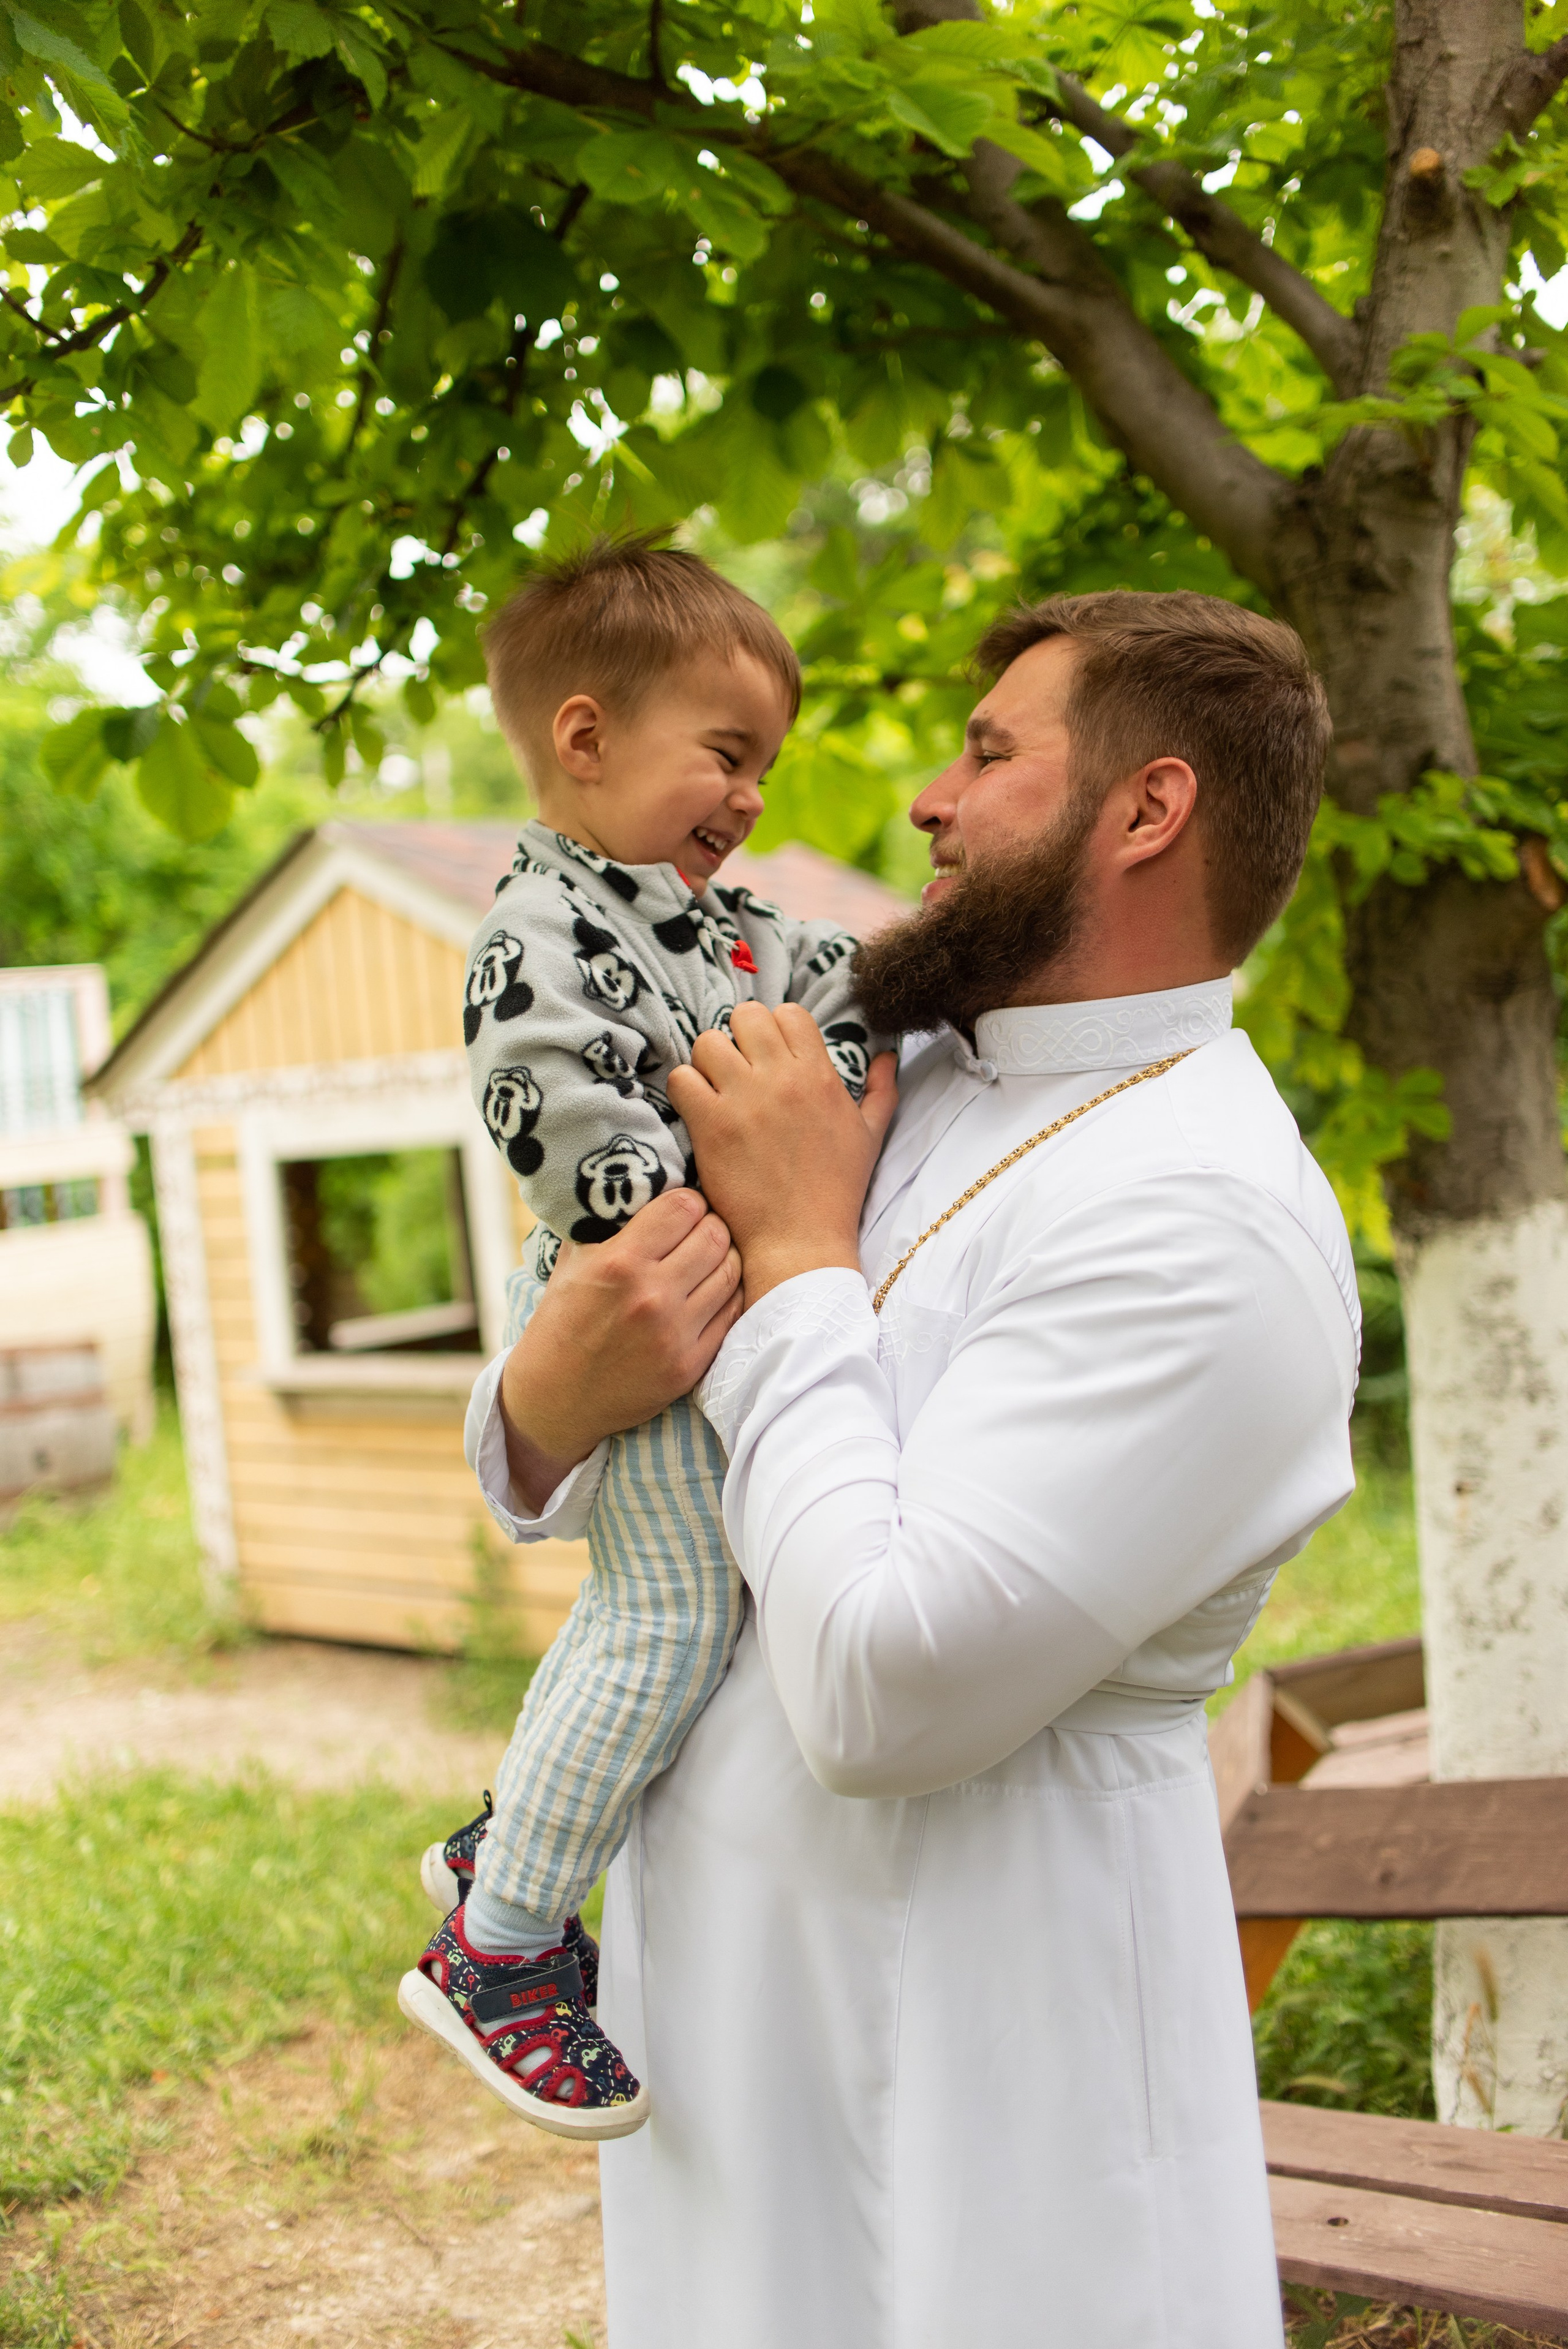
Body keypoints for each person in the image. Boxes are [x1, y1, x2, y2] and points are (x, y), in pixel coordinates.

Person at [465, 589, 1359, 2345]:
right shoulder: (918, 1071)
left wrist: (802, 1256)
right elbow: (633, 1434)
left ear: (1147, 810)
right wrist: (545, 1403)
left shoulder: (1211, 1216)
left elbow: (888, 1688)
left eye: (989, 753)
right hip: (726, 2025)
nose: (928, 806)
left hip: (986, 2043)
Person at [398, 535, 881, 2138]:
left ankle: (500, 1841)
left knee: (684, 1599)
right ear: (587, 737)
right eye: (725, 756)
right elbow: (557, 1104)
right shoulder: (534, 931)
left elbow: (830, 982)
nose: (750, 799)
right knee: (669, 1612)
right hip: (639, 1270)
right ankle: (499, 1939)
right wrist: (729, 1182)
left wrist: (856, 1041)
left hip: (691, 1277)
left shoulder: (707, 917)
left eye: (764, 767)